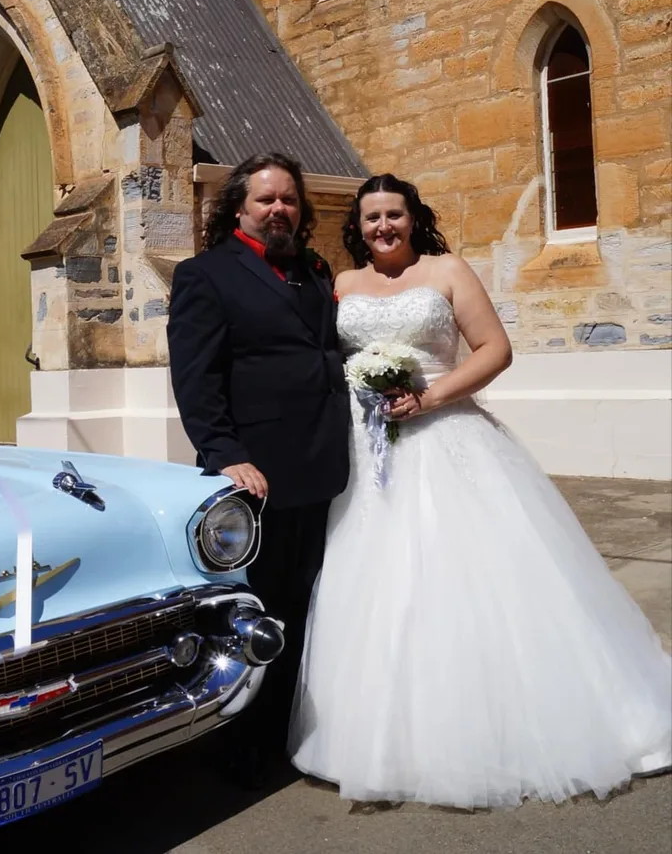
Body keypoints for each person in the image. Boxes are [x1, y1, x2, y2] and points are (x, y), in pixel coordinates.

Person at [289, 173, 671, 808]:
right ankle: (381, 736)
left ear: (414, 218)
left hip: (447, 437)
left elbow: (496, 348)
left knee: (467, 579)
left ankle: (504, 727)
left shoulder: (448, 271)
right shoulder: (342, 286)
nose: (383, 226)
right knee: (376, 584)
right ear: (356, 227)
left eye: (394, 215)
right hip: (366, 450)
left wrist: (430, 396)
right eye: (371, 218)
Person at [167, 153, 351, 782]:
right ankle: (244, 741)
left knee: (311, 599)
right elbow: (196, 378)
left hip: (326, 462)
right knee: (258, 607)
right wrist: (224, 454)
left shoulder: (316, 270)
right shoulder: (205, 275)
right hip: (259, 472)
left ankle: (297, 725)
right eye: (267, 199)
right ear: (239, 206)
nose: (280, 209)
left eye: (289, 200)